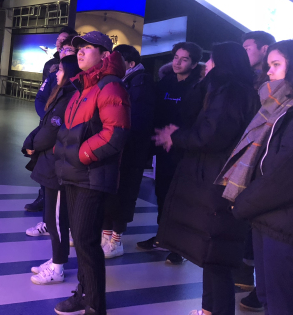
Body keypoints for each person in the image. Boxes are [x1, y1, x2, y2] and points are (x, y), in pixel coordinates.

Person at [153, 42, 259, 315]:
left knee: (216, 253)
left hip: (217, 178)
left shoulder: (230, 91)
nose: (207, 65)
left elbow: (212, 134)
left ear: (223, 63)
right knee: (211, 252)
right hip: (214, 175)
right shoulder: (231, 89)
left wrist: (176, 136)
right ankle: (208, 309)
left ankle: (217, 310)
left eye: (212, 60)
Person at [229, 40, 293, 315]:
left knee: (282, 301)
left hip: (292, 218)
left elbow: (287, 175)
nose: (269, 72)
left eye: (276, 65)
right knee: (267, 295)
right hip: (270, 213)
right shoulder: (286, 105)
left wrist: (243, 203)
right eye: (268, 66)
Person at [53, 31, 130, 315]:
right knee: (81, 238)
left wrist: (80, 155)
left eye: (88, 47)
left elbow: (115, 134)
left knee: (86, 241)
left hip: (92, 175)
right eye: (79, 48)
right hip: (76, 173)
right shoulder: (83, 86)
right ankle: (84, 292)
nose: (81, 52)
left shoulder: (110, 86)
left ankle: (96, 306)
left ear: (105, 54)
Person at [137, 41, 203, 265]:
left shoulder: (198, 87)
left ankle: (179, 246)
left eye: (184, 59)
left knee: (181, 198)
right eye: (176, 57)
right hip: (162, 148)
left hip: (184, 150)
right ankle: (162, 236)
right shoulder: (166, 82)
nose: (178, 62)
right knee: (162, 193)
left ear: (194, 64)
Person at [22, 55, 81, 285]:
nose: (56, 74)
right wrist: (31, 142)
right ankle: (55, 259)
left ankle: (58, 267)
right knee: (51, 217)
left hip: (56, 165)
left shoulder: (68, 97)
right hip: (49, 163)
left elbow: (51, 131)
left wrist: (32, 145)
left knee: (57, 220)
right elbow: (45, 124)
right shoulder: (61, 94)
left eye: (60, 70)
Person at [101, 44, 155, 258]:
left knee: (125, 193)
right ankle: (106, 235)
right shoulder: (119, 80)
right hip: (117, 148)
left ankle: (116, 240)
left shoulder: (141, 82)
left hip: (131, 150)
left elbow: (138, 120)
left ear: (130, 64)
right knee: (110, 191)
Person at [237, 31, 275, 312]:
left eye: (248, 47)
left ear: (264, 49)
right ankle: (251, 277)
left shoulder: (274, 87)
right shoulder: (251, 80)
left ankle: (263, 289)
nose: (244, 52)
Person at [26, 27, 77, 213]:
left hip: (62, 134)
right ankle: (44, 200)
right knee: (44, 169)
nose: (61, 48)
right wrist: (47, 117)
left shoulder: (77, 80)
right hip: (48, 124)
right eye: (61, 46)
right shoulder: (52, 69)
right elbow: (41, 97)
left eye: (68, 48)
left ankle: (54, 216)